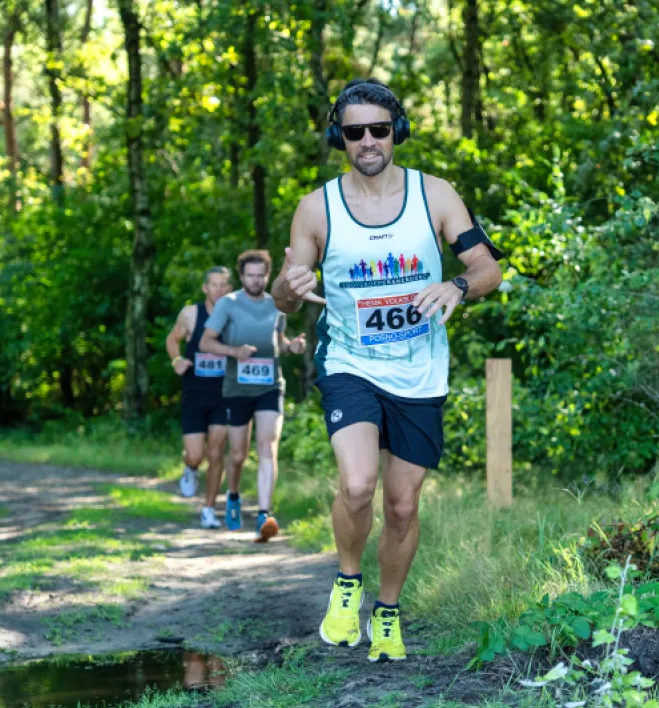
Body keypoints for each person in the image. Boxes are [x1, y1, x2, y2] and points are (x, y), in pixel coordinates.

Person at [272, 78, 503, 662]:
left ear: (395, 131)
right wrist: (287, 289)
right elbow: (285, 295)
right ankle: (348, 584)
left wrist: (456, 285)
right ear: (339, 138)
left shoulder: (436, 195)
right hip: (349, 361)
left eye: (379, 128)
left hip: (420, 369)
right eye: (355, 132)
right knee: (357, 485)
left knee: (402, 505)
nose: (369, 140)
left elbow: (486, 268)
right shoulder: (316, 208)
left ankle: (389, 614)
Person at [200, 250, 306, 542]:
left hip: (270, 385)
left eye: (261, 275)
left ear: (267, 276)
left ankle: (264, 514)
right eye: (250, 275)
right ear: (242, 276)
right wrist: (235, 352)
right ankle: (232, 494)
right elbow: (206, 341)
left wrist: (291, 347)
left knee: (267, 446)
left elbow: (279, 340)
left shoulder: (277, 304)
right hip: (237, 388)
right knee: (237, 455)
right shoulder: (228, 304)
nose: (256, 280)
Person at [165, 266, 236, 529]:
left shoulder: (235, 315)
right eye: (213, 285)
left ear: (229, 288)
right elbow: (172, 340)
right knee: (196, 455)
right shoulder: (191, 313)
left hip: (224, 394)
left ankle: (209, 509)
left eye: (223, 285)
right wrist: (177, 360)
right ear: (205, 288)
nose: (218, 289)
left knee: (217, 452)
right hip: (195, 394)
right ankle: (190, 468)